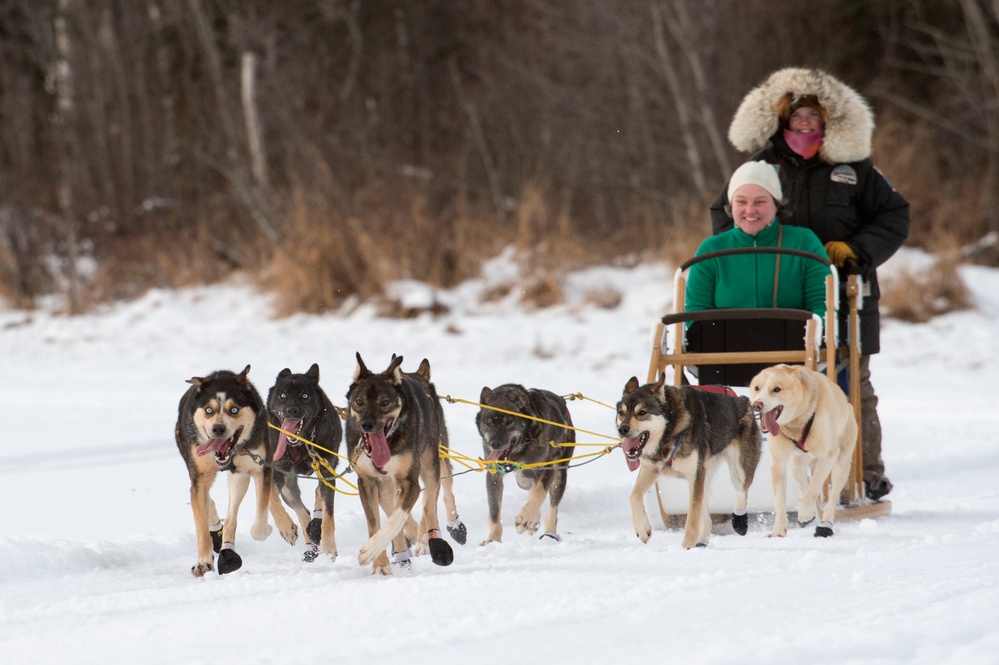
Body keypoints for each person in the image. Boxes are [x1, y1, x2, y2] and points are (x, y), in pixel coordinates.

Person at [709, 68, 910, 502]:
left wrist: (855, 250)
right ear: (781, 120)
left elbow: (894, 216)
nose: (804, 124)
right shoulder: (761, 166)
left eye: (812, 118)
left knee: (851, 383)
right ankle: (774, 472)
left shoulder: (854, 169)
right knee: (780, 386)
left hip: (845, 289)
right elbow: (726, 214)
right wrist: (751, 253)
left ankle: (863, 469)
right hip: (777, 296)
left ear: (828, 122)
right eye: (796, 117)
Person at [688, 160, 829, 318]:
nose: (750, 210)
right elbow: (696, 313)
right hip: (726, 341)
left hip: (794, 341)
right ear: (731, 206)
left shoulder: (804, 242)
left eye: (760, 202)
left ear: (776, 205)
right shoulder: (711, 250)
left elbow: (822, 307)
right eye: (741, 202)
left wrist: (809, 337)